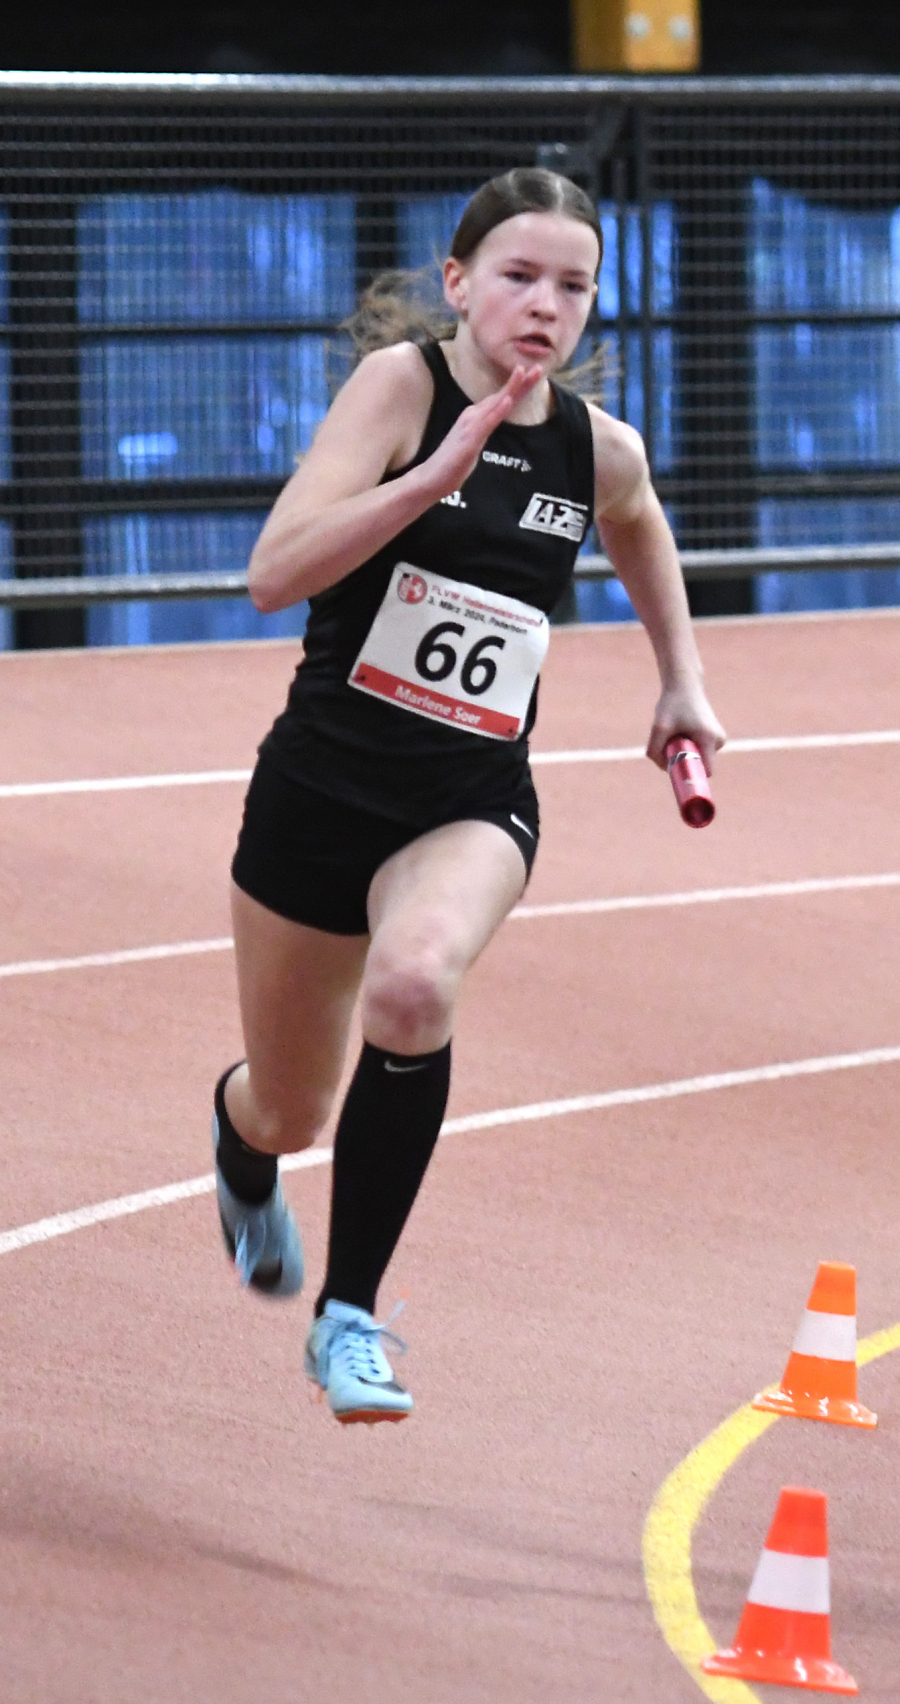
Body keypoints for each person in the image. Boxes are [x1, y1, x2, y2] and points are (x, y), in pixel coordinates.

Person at [212, 166, 725, 1425]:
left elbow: (641, 521)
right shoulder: (400, 389)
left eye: (575, 285)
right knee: (289, 1101)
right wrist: (433, 476)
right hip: (317, 793)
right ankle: (240, 1145)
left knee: (415, 981)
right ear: (456, 284)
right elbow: (271, 575)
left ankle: (352, 1318)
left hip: (469, 800)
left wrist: (683, 685)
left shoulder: (596, 448)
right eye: (518, 276)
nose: (546, 305)